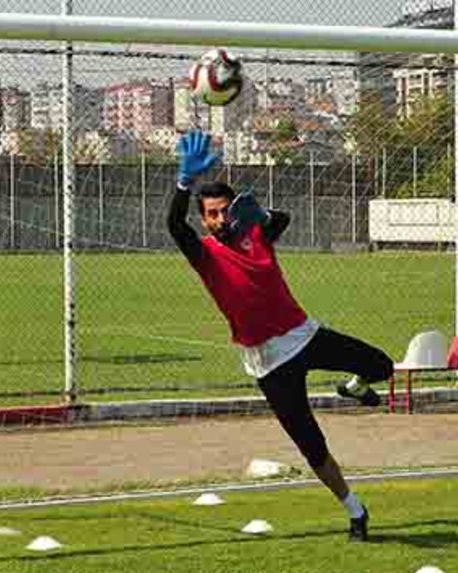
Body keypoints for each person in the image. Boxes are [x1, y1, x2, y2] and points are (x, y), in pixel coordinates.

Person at [166, 129, 395, 542]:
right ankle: (356, 510)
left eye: (223, 211)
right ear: (203, 219)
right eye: (210, 214)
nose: (218, 220)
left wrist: (264, 216)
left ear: (233, 209)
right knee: (312, 445)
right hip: (269, 362)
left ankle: (355, 386)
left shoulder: (254, 232)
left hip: (305, 336)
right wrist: (185, 182)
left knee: (383, 366)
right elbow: (173, 225)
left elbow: (281, 220)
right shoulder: (204, 253)